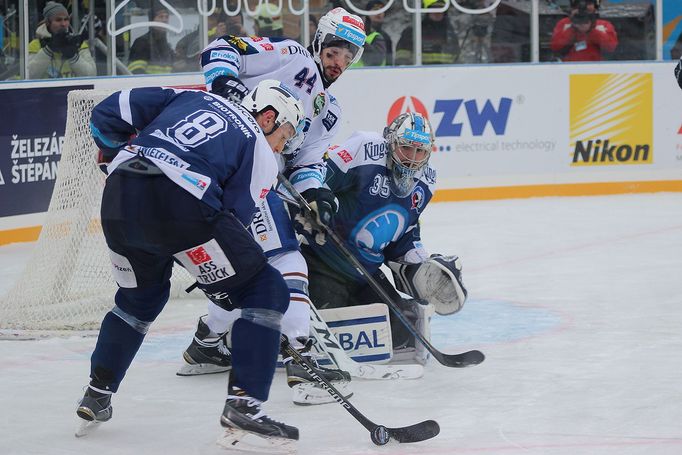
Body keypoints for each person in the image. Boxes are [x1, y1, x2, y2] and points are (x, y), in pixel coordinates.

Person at [75, 79, 306, 450]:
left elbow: (106, 113)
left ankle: (97, 393)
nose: (281, 147)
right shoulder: (259, 152)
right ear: (267, 117)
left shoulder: (191, 96)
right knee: (266, 290)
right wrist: (230, 292)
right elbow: (231, 220)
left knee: (139, 299)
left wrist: (114, 157)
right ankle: (244, 406)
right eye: (284, 135)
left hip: (120, 195)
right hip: (182, 202)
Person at [180, 7, 366, 405]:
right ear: (320, 43)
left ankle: (207, 343)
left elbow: (304, 163)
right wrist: (227, 84)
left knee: (247, 271)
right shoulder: (293, 57)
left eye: (349, 59)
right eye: (334, 53)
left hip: (255, 184)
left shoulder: (329, 112)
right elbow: (221, 48)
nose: (339, 64)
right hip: (228, 168)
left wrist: (315, 192)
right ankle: (304, 358)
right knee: (286, 259)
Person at [296, 113, 467, 364]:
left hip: (364, 272)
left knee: (405, 332)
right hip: (321, 261)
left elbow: (405, 233)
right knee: (325, 328)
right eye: (406, 148)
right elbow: (315, 179)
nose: (412, 158)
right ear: (391, 142)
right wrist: (313, 208)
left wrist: (419, 264)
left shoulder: (426, 183)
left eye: (420, 151)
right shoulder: (365, 149)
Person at [27, 1, 96, 79]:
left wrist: (73, 57)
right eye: (58, 20)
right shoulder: (35, 45)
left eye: (66, 19)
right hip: (46, 91)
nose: (63, 24)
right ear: (48, 23)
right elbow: (29, 75)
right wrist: (48, 50)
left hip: (73, 90)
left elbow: (92, 75)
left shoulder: (77, 43)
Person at [395, 0, 460, 65]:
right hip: (418, 73)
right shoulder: (412, 32)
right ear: (427, 12)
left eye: (441, 9)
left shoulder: (450, 35)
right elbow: (401, 61)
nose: (437, 12)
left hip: (447, 74)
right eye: (433, 9)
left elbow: (458, 60)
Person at [550, 0, 617, 62]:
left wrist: (591, 30)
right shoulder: (564, 23)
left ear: (595, 6)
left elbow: (611, 47)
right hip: (569, 67)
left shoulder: (603, 25)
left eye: (589, 3)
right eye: (577, 3)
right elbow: (555, 46)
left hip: (597, 68)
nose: (584, 7)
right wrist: (573, 27)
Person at [127, 3, 175, 74]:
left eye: (166, 17)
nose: (164, 20)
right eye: (160, 17)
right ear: (152, 21)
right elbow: (136, 73)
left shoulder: (167, 46)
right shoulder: (141, 43)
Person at [352, 0, 388, 67]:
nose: (379, 13)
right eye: (375, 9)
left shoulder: (384, 36)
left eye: (382, 10)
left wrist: (358, 39)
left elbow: (385, 61)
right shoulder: (352, 33)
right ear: (367, 13)